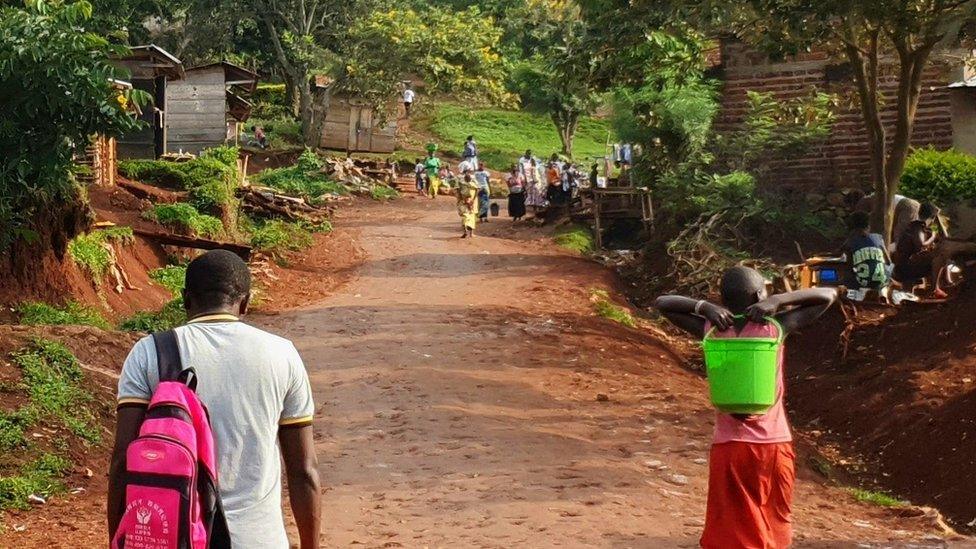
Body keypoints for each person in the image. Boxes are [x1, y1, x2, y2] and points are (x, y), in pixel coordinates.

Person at [108, 250, 321, 549]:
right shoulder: (282, 354)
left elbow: (122, 462)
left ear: (185, 299)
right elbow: (304, 471)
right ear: (245, 302)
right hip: (260, 540)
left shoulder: (149, 352)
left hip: (177, 537)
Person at [654, 267, 838, 549]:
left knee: (732, 524)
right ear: (758, 295)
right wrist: (776, 302)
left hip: (730, 446)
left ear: (723, 299)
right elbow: (827, 295)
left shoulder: (712, 328)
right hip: (773, 444)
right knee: (774, 519)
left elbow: (663, 303)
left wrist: (704, 308)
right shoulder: (775, 327)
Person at [892, 203, 976, 298]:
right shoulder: (917, 227)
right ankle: (935, 288)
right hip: (906, 267)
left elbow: (943, 238)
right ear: (931, 217)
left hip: (905, 265)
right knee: (939, 258)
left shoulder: (915, 227)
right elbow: (921, 245)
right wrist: (932, 237)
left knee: (942, 253)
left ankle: (947, 283)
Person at [842, 210, 891, 292]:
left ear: (852, 229)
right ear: (868, 226)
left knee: (845, 276)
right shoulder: (878, 238)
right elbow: (888, 262)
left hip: (862, 284)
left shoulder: (850, 242)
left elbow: (849, 266)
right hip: (881, 283)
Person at [456, 173, 478, 238]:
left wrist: (461, 199)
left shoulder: (462, 185)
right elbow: (477, 191)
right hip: (470, 203)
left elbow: (458, 192)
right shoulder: (473, 185)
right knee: (471, 217)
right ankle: (470, 233)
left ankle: (466, 232)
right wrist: (472, 200)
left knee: (465, 217)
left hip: (466, 203)